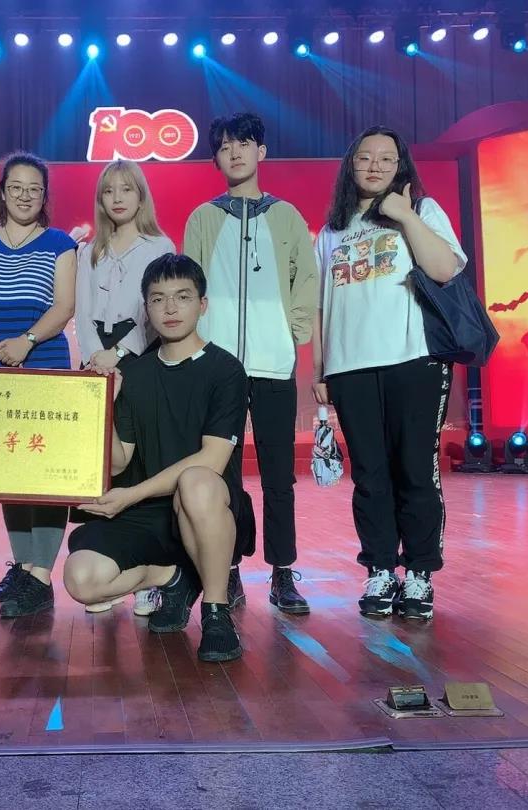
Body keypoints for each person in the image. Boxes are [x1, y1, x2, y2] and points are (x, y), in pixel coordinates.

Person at [312, 125, 467, 621]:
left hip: (414, 359)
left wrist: (404, 214)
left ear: (401, 166)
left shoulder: (422, 209)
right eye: (365, 157)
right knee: (370, 476)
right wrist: (319, 370)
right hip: (350, 367)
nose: (375, 165)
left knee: (416, 470)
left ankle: (419, 573)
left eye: (386, 157)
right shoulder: (332, 229)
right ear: (350, 165)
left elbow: (445, 269)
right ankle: (379, 568)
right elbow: (321, 306)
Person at [64, 254, 249, 663]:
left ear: (202, 304)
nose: (170, 308)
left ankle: (216, 611)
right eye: (158, 299)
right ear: (145, 309)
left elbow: (212, 459)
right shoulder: (136, 374)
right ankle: (172, 577)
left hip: (206, 506)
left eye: (182, 297)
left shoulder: (226, 371)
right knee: (82, 580)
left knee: (195, 481)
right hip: (148, 512)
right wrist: (105, 409)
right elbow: (119, 462)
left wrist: (130, 495)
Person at [183, 112, 318, 615]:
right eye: (224, 146)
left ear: (261, 151)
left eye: (243, 143)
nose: (234, 152)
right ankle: (231, 568)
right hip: (218, 369)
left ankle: (283, 572)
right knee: (225, 476)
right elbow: (189, 284)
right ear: (215, 158)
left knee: (280, 476)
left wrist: (293, 332)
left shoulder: (286, 216)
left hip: (273, 362)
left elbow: (306, 278)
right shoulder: (203, 217)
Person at [0, 151, 77, 618]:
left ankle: (41, 576)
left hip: (44, 362)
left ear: (44, 196)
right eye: (16, 187)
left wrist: (25, 342)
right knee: (10, 469)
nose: (25, 196)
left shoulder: (61, 244)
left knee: (44, 472)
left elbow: (63, 306)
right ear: (3, 192)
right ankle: (23, 566)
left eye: (34, 189)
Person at [74, 159, 174, 618]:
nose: (117, 198)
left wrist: (119, 353)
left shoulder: (159, 246)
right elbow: (82, 310)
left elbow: (156, 310)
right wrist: (96, 358)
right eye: (109, 191)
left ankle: (149, 573)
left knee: (139, 460)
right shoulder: (88, 250)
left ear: (140, 196)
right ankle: (108, 569)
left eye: (126, 189)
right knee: (100, 463)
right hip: (95, 364)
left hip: (140, 358)